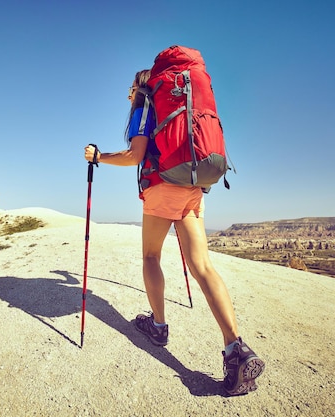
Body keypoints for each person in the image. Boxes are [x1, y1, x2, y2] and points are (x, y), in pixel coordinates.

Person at [83, 69, 265, 396]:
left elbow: (134, 156)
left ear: (142, 87)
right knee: (203, 266)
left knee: (151, 255)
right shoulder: (182, 104)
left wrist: (99, 157)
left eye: (132, 85)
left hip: (162, 188)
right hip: (193, 185)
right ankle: (235, 348)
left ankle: (157, 325)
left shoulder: (146, 108)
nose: (129, 90)